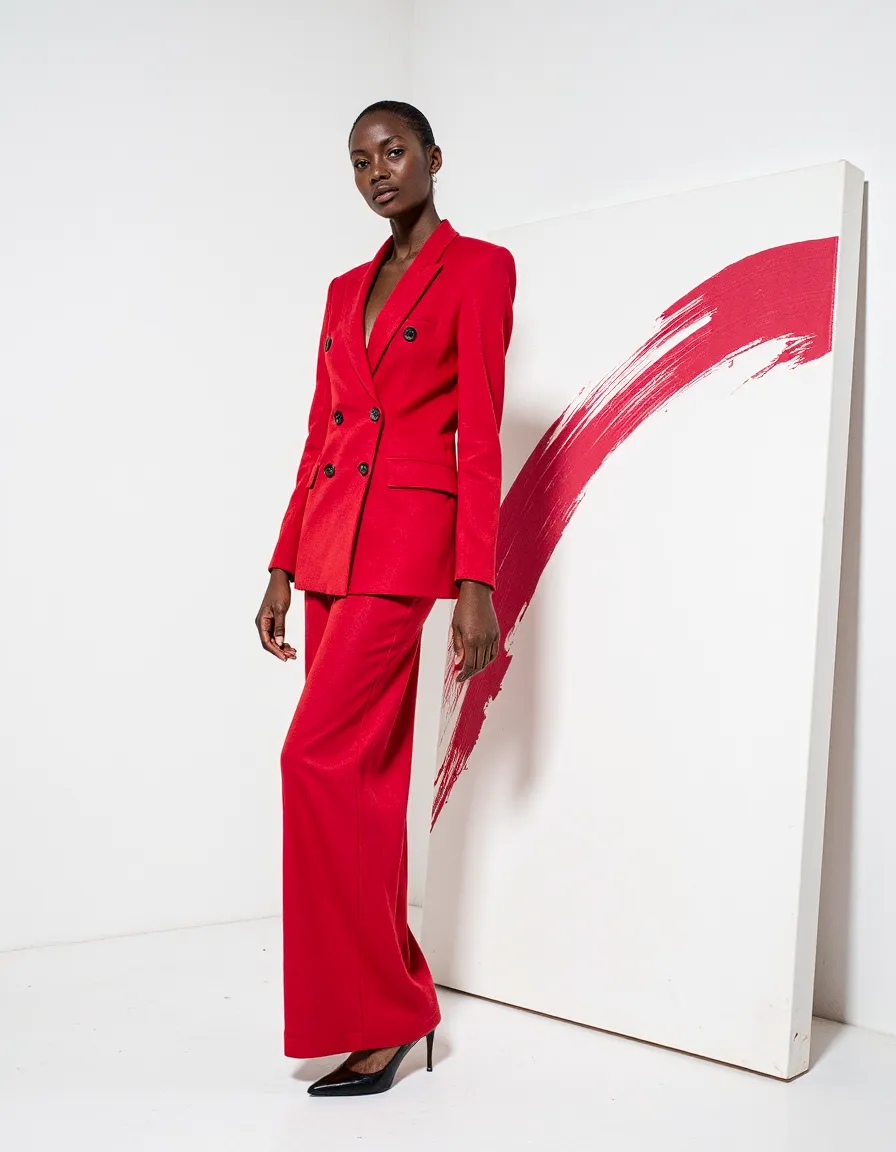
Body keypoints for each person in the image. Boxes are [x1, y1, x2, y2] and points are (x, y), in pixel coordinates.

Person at [255, 100, 516, 1098]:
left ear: (433, 157)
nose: (376, 171)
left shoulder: (480, 267)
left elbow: (481, 431)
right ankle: (389, 1012)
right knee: (357, 782)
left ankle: (386, 1010)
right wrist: (279, 565)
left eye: (393, 151)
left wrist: (475, 581)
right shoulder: (338, 291)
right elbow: (318, 433)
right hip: (325, 548)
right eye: (359, 160)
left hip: (405, 547)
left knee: (309, 759)